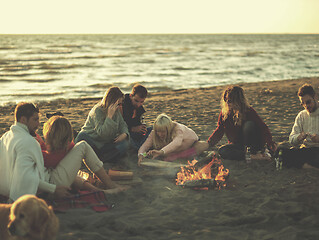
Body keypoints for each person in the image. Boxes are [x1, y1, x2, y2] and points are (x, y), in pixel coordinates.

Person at [0, 102, 121, 202]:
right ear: (23, 119)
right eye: (35, 119)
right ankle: (110, 185)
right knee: (83, 146)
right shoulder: (28, 142)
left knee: (71, 169)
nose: (38, 124)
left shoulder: (5, 137)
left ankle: (100, 190)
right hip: (46, 186)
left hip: (10, 191)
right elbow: (27, 178)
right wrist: (54, 189)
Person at [207, 85, 276, 161]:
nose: (227, 102)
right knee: (222, 150)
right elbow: (220, 130)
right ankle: (253, 157)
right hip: (238, 146)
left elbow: (263, 127)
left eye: (230, 100)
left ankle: (253, 153)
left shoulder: (248, 111)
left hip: (254, 144)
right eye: (225, 99)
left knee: (249, 125)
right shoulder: (224, 114)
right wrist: (209, 143)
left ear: (237, 100)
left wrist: (270, 143)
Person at [75, 87, 130, 162]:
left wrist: (124, 134)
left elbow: (122, 124)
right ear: (111, 102)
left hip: (105, 143)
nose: (120, 106)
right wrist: (109, 117)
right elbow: (102, 133)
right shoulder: (97, 110)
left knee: (125, 144)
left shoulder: (116, 111)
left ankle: (102, 158)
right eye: (118, 104)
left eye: (121, 103)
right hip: (93, 141)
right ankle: (104, 157)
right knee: (82, 136)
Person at [138, 114, 208, 165]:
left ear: (168, 129)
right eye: (158, 131)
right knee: (154, 152)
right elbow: (145, 145)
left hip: (190, 146)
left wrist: (161, 152)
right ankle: (172, 156)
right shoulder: (154, 132)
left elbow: (177, 143)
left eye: (163, 131)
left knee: (203, 145)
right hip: (170, 151)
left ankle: (175, 156)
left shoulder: (178, 128)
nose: (160, 134)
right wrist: (141, 154)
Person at [278, 84, 319, 168]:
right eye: (303, 104)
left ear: (315, 97)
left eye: (308, 102)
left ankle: (304, 165)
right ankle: (308, 165)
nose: (306, 106)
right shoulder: (302, 115)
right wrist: (299, 137)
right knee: (280, 150)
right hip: (306, 151)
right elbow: (291, 139)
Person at [122, 84, 152, 150]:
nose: (139, 104)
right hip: (125, 135)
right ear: (130, 96)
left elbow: (138, 124)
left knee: (153, 129)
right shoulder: (122, 105)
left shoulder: (139, 108)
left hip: (135, 135)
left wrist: (142, 129)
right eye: (136, 101)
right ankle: (141, 147)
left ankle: (142, 146)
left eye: (142, 102)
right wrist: (132, 129)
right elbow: (117, 127)